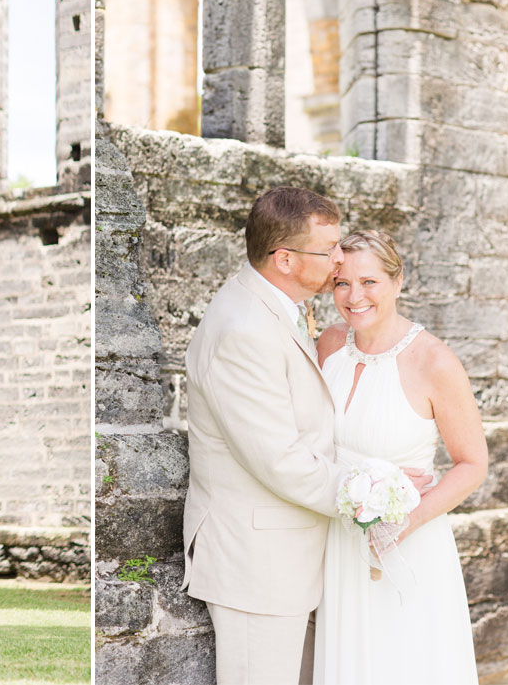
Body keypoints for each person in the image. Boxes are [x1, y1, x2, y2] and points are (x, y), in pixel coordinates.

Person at [182, 186, 350, 685]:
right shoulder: (242, 329)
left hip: (290, 558)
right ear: (285, 259)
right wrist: (369, 496)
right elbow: (279, 460)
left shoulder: (273, 306)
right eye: (329, 250)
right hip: (257, 566)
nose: (340, 259)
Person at [312, 230, 486, 684]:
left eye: (369, 281)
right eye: (342, 283)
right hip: (336, 538)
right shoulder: (328, 345)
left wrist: (406, 522)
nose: (354, 296)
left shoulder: (434, 362)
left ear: (398, 280)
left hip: (407, 540)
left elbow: (472, 463)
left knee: (403, 663)